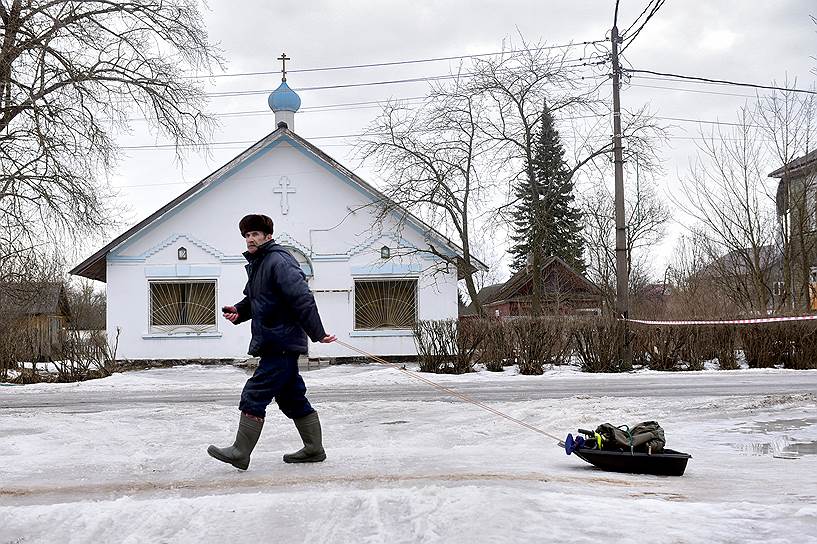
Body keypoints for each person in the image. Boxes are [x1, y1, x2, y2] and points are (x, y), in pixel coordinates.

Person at [207, 214, 336, 470]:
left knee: (255, 392)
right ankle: (314, 449)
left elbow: (302, 298)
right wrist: (240, 311)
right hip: (276, 340)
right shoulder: (261, 263)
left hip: (281, 341)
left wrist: (317, 332)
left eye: (255, 234)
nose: (250, 239)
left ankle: (240, 452)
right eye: (246, 235)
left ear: (268, 236)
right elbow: (258, 299)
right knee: (291, 398)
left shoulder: (278, 260)